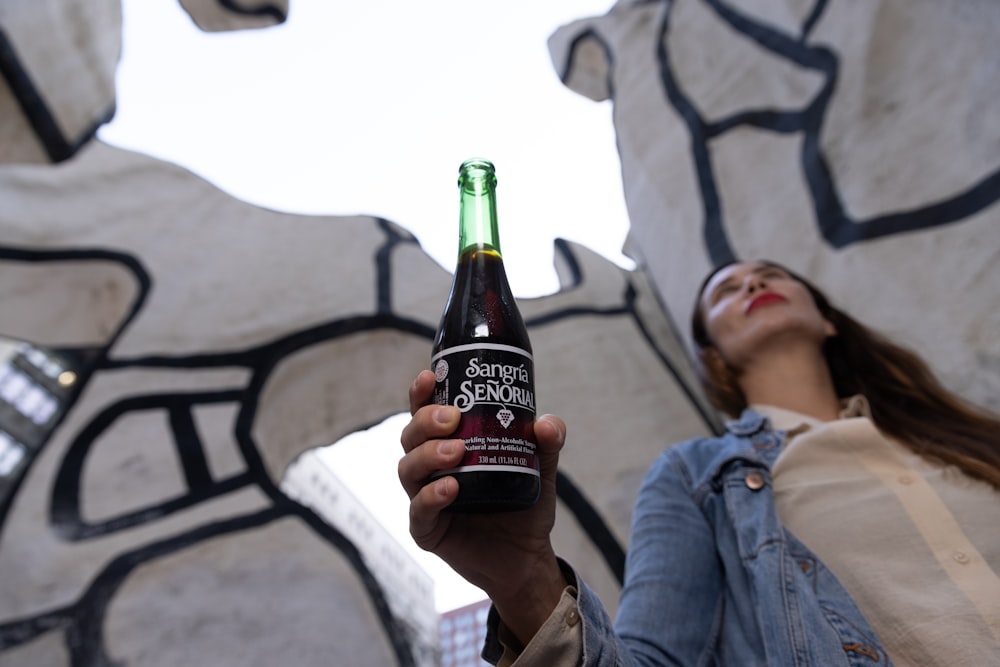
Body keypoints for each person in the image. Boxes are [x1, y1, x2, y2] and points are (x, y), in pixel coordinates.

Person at [399, 260, 1000, 666]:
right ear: (712, 355)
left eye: (770, 276)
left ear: (826, 319)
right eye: (726, 290)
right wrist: (522, 579)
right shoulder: (696, 478)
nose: (751, 283)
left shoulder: (966, 436)